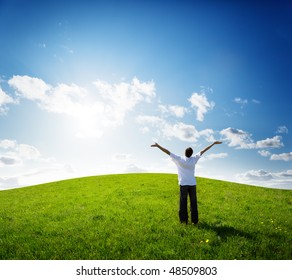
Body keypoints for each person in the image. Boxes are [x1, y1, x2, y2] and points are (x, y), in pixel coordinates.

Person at [151, 141, 222, 225]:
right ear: (191, 154)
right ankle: (194, 222)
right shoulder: (194, 159)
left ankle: (184, 221)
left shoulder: (179, 159)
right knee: (194, 203)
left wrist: (158, 145)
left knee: (183, 203)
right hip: (192, 184)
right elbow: (204, 150)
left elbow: (167, 152)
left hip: (183, 184)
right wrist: (213, 144)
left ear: (185, 153)